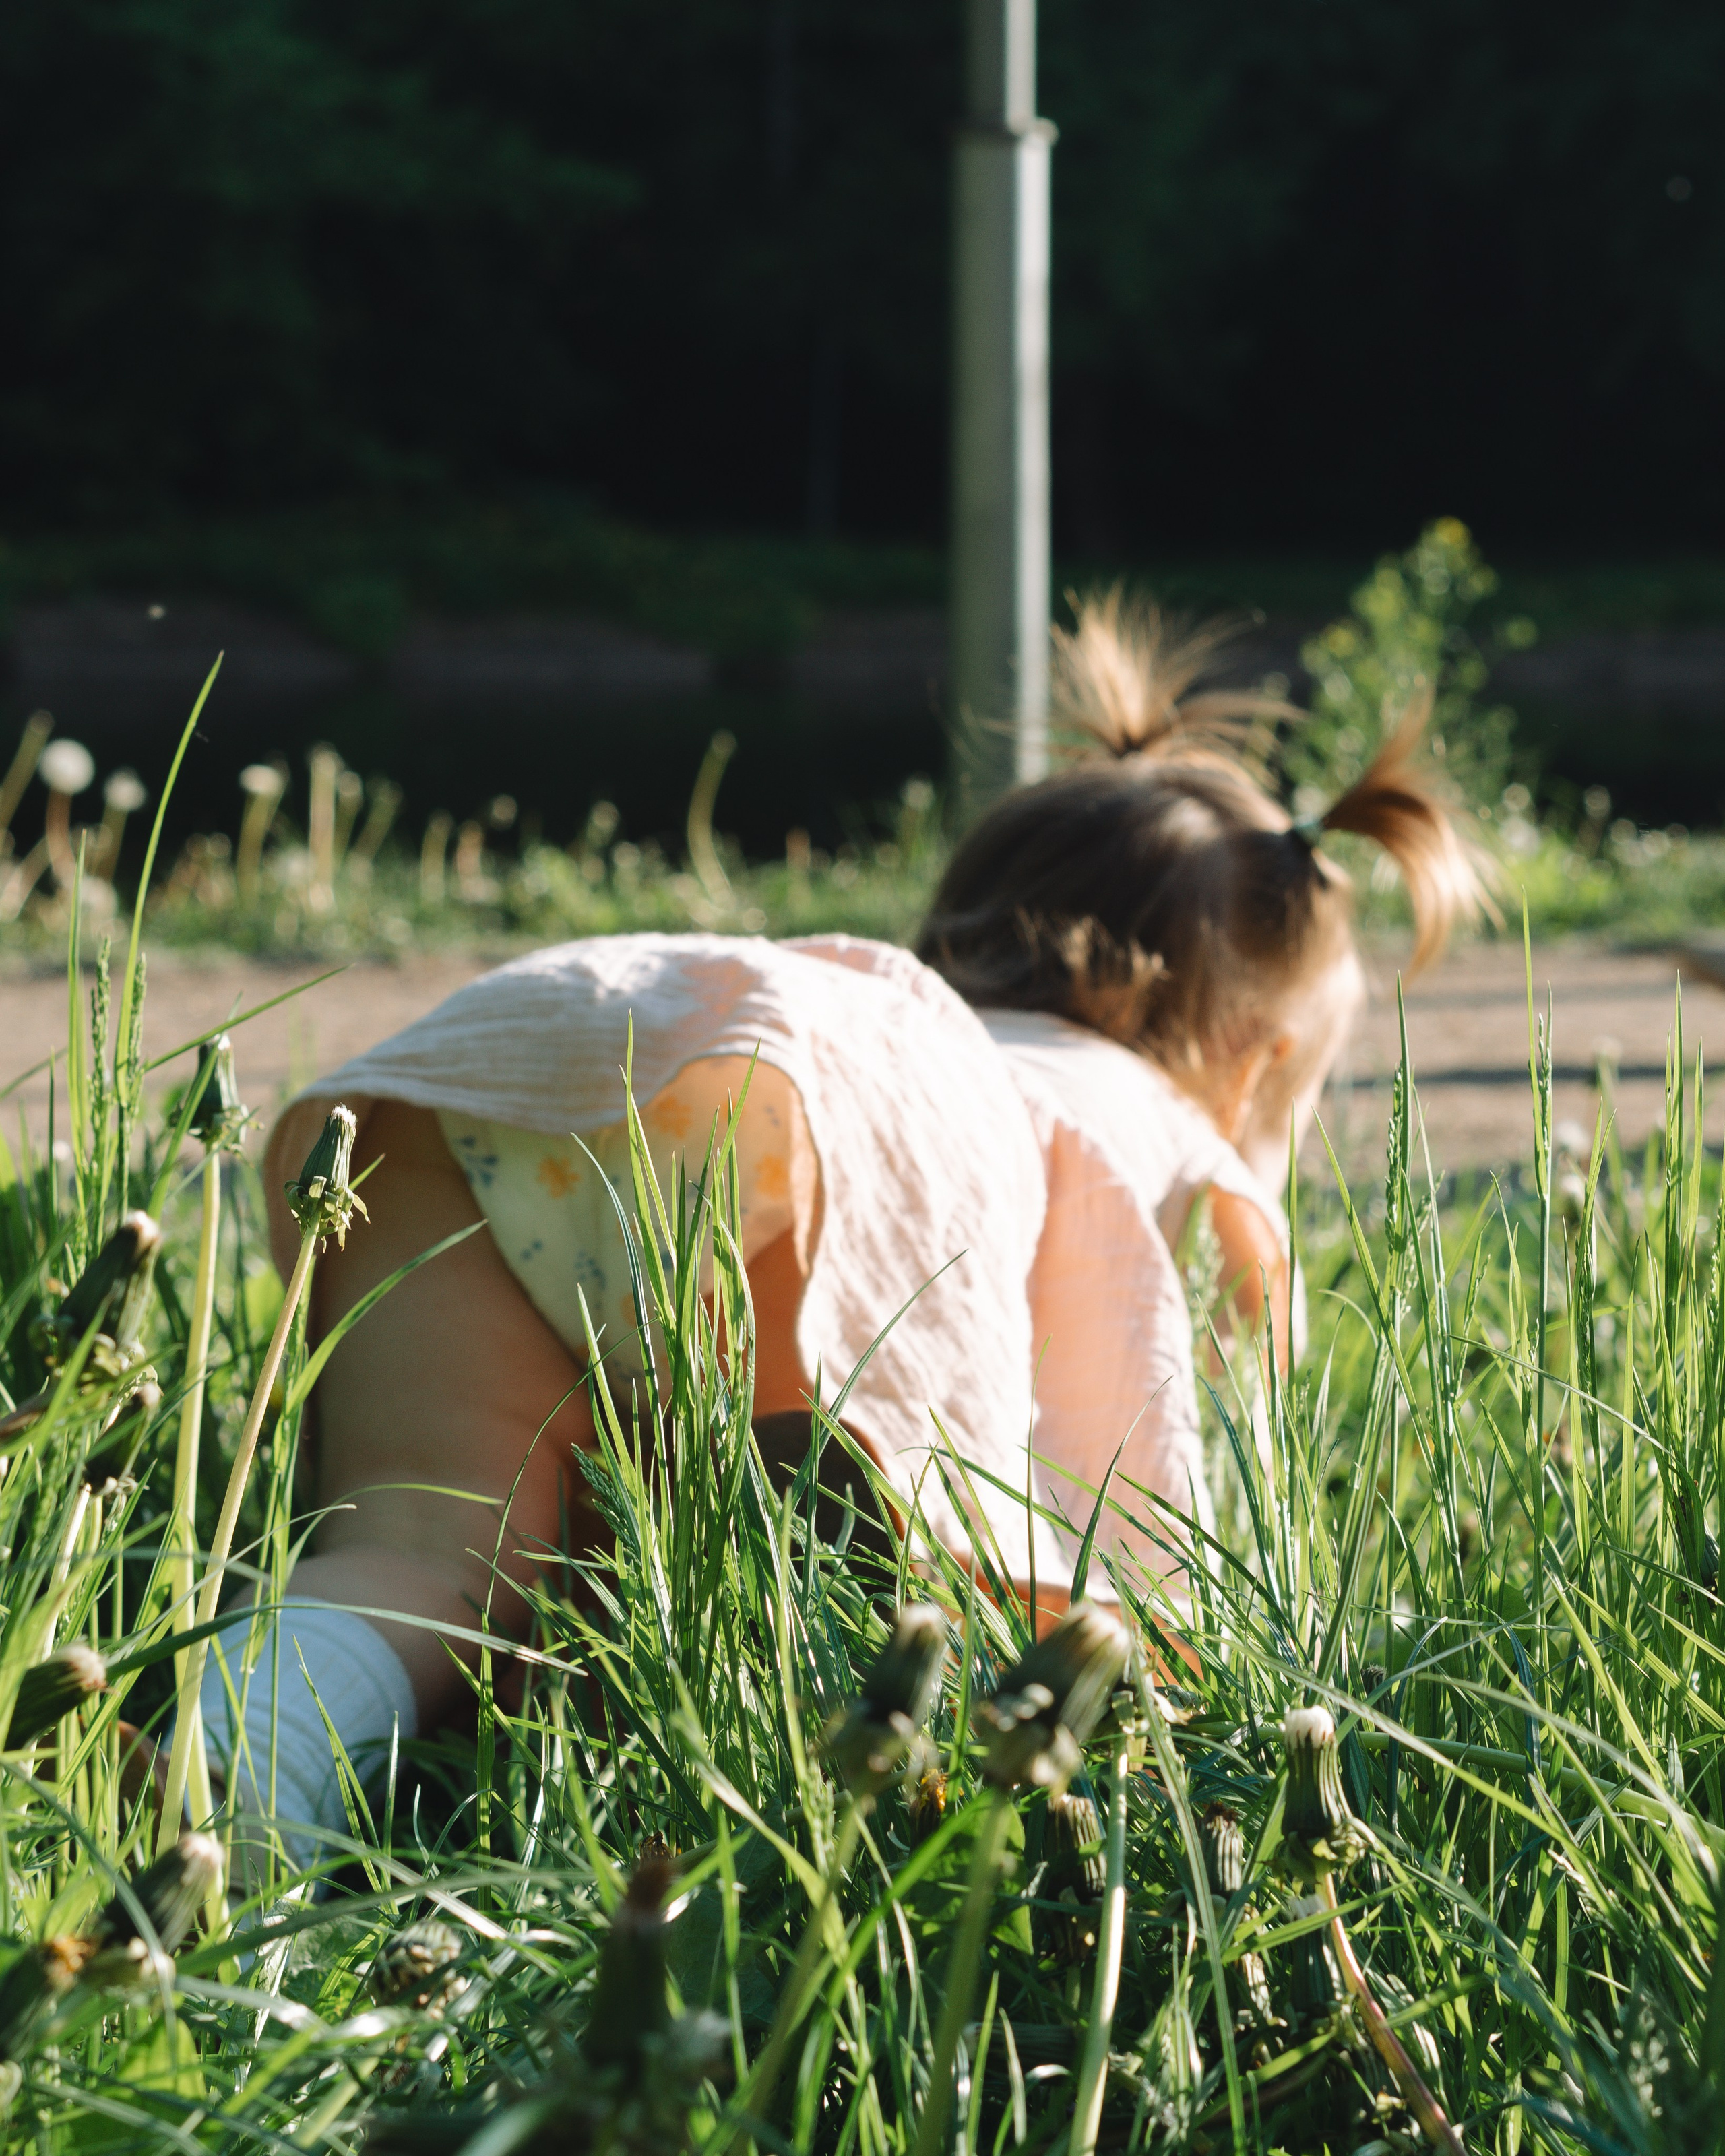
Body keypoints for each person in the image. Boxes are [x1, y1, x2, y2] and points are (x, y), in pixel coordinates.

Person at [200, 596, 1484, 1863]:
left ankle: (225, 1777)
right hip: (784, 1129)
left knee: (431, 1555)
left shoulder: (892, 1021)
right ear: (1258, 1071)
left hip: (531, 1049)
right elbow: (1127, 1485)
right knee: (810, 1580)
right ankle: (684, 1798)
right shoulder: (1139, 1127)